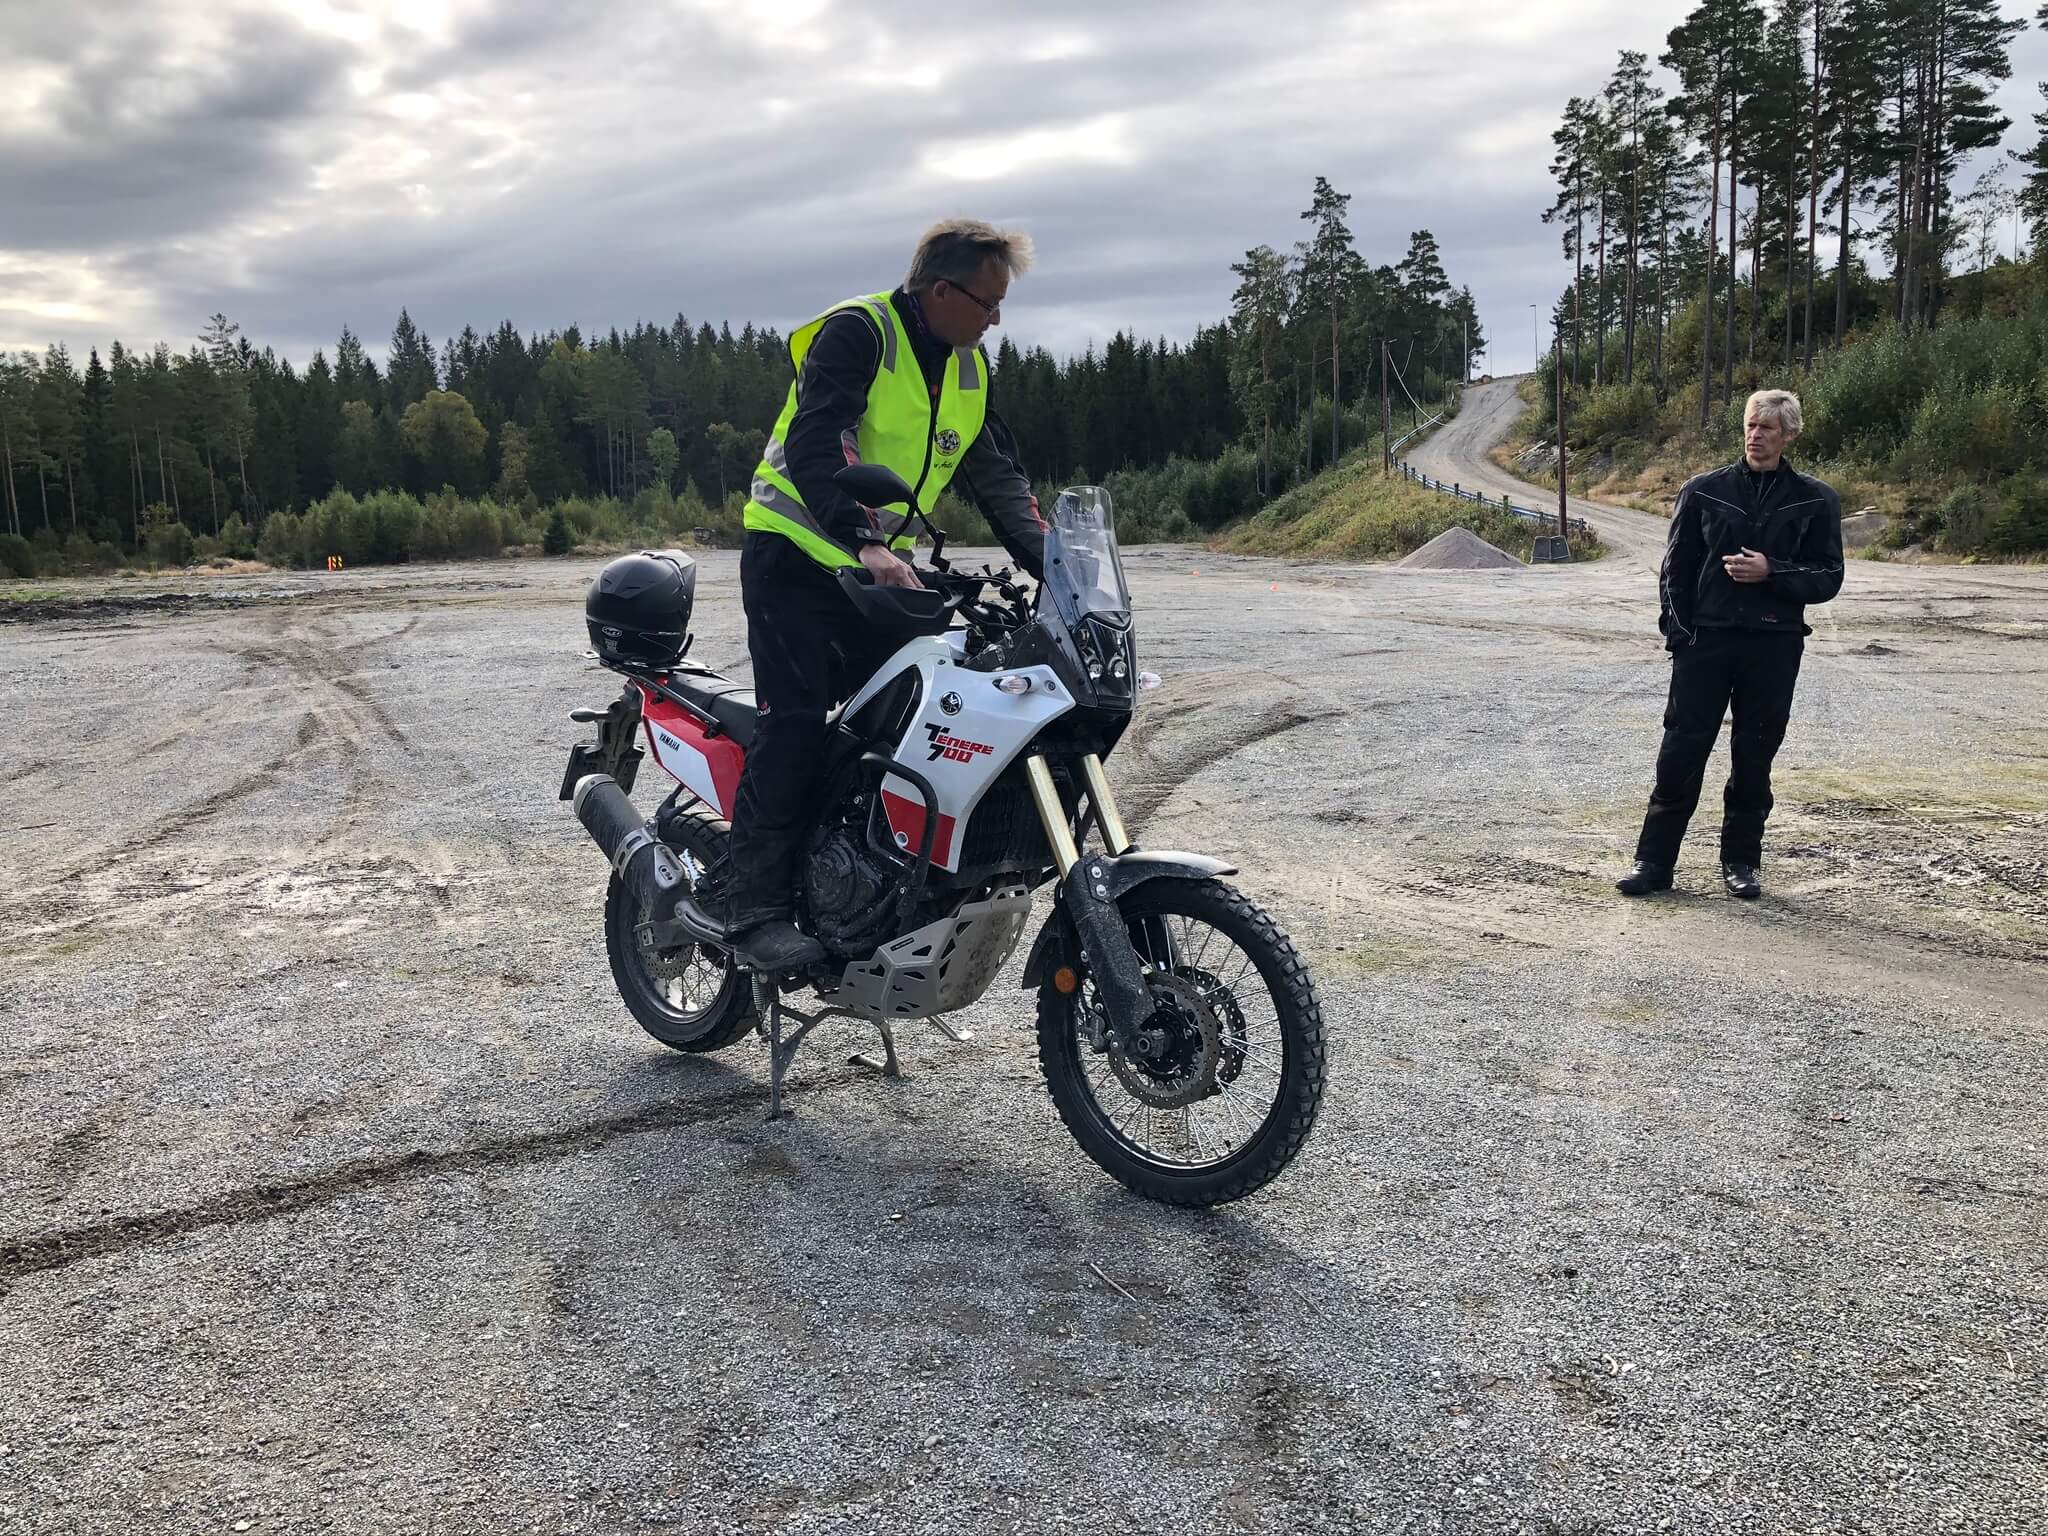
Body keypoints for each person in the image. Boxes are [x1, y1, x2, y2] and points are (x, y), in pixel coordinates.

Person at [704, 219, 1049, 970]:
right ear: (940, 291)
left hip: (877, 567)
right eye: (988, 302)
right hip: (796, 553)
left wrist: (1062, 568)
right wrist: (864, 538)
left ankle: (865, 886)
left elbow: (998, 479)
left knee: (918, 715)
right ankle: (751, 910)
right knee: (796, 721)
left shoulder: (966, 369)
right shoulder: (860, 333)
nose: (996, 319)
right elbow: (821, 441)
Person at [1616, 389, 1843, 901]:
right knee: (1681, 751)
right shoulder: (1704, 490)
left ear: (1789, 435)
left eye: (1767, 428)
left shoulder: (1815, 499)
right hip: (1706, 643)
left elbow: (1829, 576)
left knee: (1754, 757)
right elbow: (1675, 570)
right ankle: (1653, 863)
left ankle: (1741, 863)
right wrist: (1681, 637)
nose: (1756, 435)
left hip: (1774, 646)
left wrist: (1772, 571)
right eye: (1751, 425)